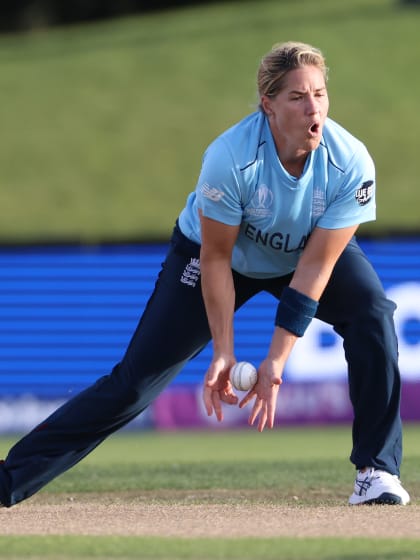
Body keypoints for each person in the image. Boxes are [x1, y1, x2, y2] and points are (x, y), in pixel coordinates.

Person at [0, 41, 410, 507]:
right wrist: (224, 351)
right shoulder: (230, 158)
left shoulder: (351, 163)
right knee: (133, 384)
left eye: (319, 93)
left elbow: (315, 267)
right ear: (268, 105)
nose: (313, 106)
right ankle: (8, 479)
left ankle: (377, 471)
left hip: (303, 253)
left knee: (373, 314)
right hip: (219, 254)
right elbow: (216, 258)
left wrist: (276, 363)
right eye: (297, 97)